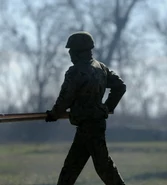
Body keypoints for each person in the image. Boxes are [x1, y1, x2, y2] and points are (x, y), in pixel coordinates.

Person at [45, 31, 127, 185]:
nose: (69, 54)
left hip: (89, 126)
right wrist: (106, 107)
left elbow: (66, 98)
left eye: (71, 50)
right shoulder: (101, 68)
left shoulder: (75, 72)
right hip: (92, 125)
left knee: (103, 167)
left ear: (78, 52)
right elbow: (120, 86)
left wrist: (54, 114)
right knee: (71, 167)